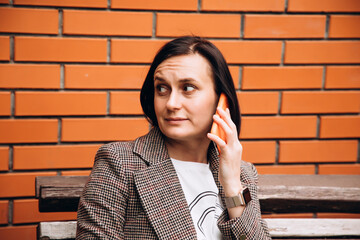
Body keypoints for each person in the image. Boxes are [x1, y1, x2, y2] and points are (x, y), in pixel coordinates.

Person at [76, 36, 271, 239]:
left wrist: (232, 184)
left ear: (221, 100)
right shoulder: (119, 163)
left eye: (187, 88)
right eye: (162, 88)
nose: (171, 103)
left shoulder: (242, 173)